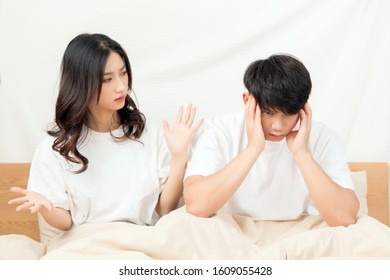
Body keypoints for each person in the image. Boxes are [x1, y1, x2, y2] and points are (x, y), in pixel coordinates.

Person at [8, 33, 202, 231]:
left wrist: (179, 157)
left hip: (144, 241)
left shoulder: (152, 134)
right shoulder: (55, 149)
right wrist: (46, 208)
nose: (121, 86)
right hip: (89, 243)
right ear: (81, 84)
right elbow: (65, 223)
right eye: (107, 79)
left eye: (123, 73)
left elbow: (165, 209)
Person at [183, 54, 359, 227]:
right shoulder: (217, 131)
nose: (278, 126)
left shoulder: (325, 138)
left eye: (289, 114)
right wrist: (253, 149)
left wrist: (302, 153)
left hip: (297, 230)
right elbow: (196, 206)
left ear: (303, 108)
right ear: (247, 101)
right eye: (268, 112)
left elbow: (344, 217)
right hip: (230, 228)